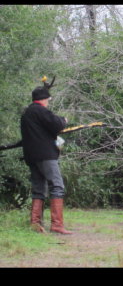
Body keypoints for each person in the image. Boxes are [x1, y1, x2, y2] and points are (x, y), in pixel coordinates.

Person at [20, 84, 72, 234]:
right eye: (48, 100)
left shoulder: (26, 113)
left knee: (38, 189)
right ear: (43, 100)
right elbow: (56, 125)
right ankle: (57, 225)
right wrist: (64, 120)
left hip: (31, 156)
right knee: (57, 186)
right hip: (46, 155)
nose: (48, 102)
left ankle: (36, 223)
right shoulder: (41, 111)